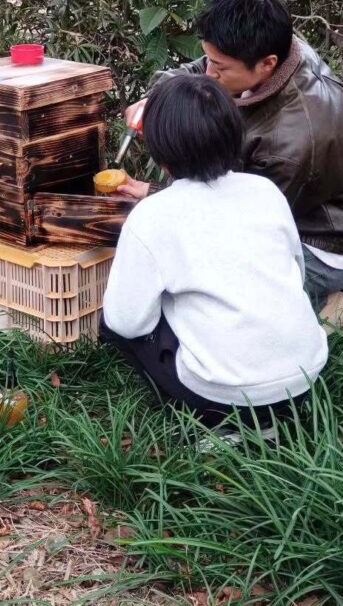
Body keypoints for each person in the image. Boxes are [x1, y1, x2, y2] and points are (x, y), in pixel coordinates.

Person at [99, 75, 328, 429]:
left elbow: (127, 321)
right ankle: (276, 422)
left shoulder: (153, 215)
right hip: (304, 379)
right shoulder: (264, 191)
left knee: (114, 328)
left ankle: (219, 428)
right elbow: (295, 272)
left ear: (160, 151)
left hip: (221, 396)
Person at [119, 0, 343, 314]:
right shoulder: (265, 48)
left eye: (219, 67)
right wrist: (158, 100)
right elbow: (199, 71)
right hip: (273, 205)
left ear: (267, 65)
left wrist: (157, 193)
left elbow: (240, 219)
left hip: (313, 242)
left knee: (199, 287)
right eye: (209, 60)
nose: (209, 73)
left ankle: (323, 302)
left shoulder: (294, 140)